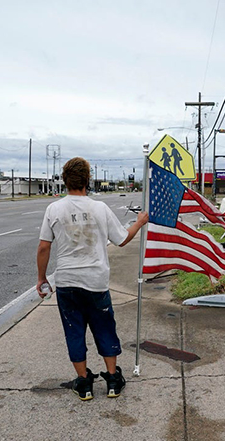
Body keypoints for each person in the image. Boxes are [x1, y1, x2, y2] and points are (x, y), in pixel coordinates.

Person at [36, 157, 148, 401]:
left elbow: (44, 247)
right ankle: (112, 380)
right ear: (88, 180)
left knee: (74, 332)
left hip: (66, 283)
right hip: (96, 282)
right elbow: (121, 239)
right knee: (105, 328)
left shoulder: (54, 209)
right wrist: (139, 222)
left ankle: (84, 383)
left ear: (64, 181)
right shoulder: (100, 209)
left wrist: (42, 278)